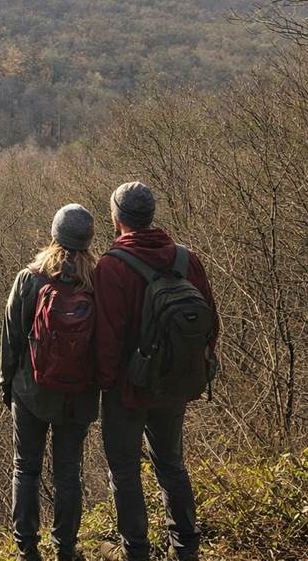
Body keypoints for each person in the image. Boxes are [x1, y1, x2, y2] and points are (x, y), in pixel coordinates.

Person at [94, 182, 218, 561]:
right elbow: (211, 322)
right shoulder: (186, 259)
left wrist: (105, 385)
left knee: (125, 470)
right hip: (174, 385)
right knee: (171, 465)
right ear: (151, 217)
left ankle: (136, 551)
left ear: (116, 220)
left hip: (127, 390)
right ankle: (186, 547)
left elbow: (107, 338)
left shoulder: (111, 266)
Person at [1, 204, 99, 561]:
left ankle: (27, 548)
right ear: (88, 240)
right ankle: (66, 549)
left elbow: (11, 337)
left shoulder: (30, 278)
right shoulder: (97, 281)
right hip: (78, 396)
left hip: (31, 392)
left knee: (25, 467)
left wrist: (7, 385)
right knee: (68, 472)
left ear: (54, 235)